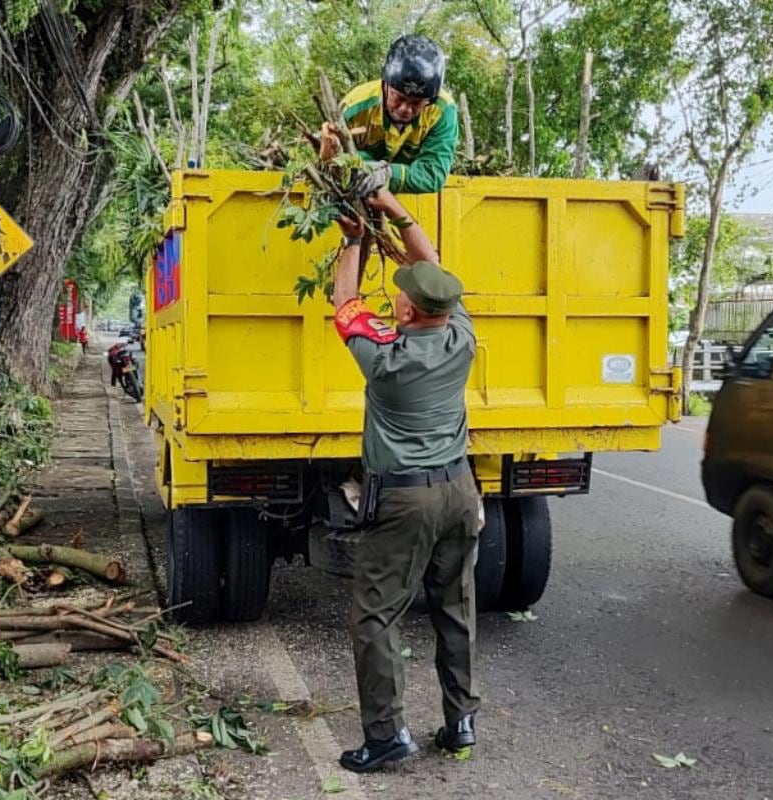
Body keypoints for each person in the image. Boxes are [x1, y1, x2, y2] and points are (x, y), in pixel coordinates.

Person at [330, 191, 480, 773]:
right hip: (460, 493)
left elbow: (344, 300)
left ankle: (387, 734)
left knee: (375, 616)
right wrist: (391, 206)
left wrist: (350, 239)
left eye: (400, 294)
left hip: (405, 501)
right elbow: (434, 265)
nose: (393, 295)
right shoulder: (460, 338)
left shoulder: (385, 360)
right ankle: (461, 721)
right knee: (455, 606)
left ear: (410, 313)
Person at [341, 34, 458, 199]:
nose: (405, 109)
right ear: (385, 84)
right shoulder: (354, 107)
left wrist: (387, 174)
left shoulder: (442, 111)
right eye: (399, 98)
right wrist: (364, 165)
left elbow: (432, 174)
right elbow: (336, 158)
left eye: (416, 103)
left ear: (430, 100)